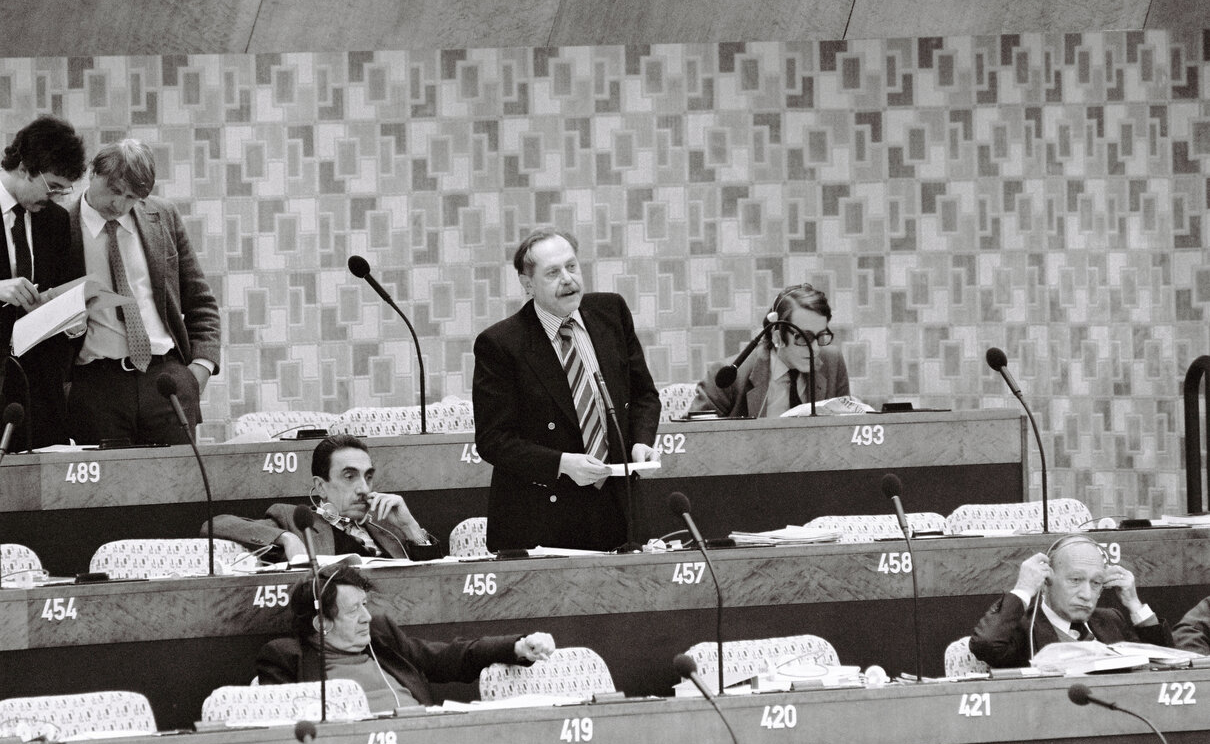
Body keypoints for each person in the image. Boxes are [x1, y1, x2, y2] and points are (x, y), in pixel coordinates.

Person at [472, 228, 661, 552]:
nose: (568, 279)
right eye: (553, 273)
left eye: (572, 267)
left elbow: (644, 395)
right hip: (544, 516)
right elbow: (494, 441)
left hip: (616, 506)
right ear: (528, 284)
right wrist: (562, 463)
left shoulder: (611, 313)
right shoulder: (501, 344)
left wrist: (641, 442)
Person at [64, 138, 220, 445]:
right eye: (114, 191)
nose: (119, 205)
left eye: (131, 197)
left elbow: (200, 300)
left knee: (182, 488)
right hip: (97, 386)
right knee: (106, 492)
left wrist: (200, 368)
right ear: (92, 172)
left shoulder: (163, 216)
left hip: (166, 379)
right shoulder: (59, 227)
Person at [257, 563, 555, 710]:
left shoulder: (380, 637)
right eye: (353, 611)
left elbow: (449, 658)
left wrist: (518, 647)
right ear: (322, 624)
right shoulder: (285, 658)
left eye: (365, 605)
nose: (367, 617)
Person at [206, 434, 435, 561]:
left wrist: (411, 528)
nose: (363, 488)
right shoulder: (297, 521)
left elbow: (431, 585)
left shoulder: (389, 529)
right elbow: (216, 524)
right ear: (321, 487)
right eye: (349, 476)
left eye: (368, 477)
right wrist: (287, 538)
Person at [0, 115, 86, 449]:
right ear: (23, 167)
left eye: (63, 190)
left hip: (41, 390)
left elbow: (63, 288)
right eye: (51, 186)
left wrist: (74, 321)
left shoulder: (56, 220)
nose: (55, 197)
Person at [969, 534, 1173, 668]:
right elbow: (985, 645)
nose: (1086, 594)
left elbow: (1166, 665)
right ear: (1047, 579)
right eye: (1075, 580)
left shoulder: (1110, 620)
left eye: (1096, 583)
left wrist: (1135, 605)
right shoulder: (1024, 629)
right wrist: (1023, 589)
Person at [691, 282, 849, 418]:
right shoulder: (731, 377)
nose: (814, 348)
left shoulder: (833, 362)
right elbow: (694, 437)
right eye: (804, 338)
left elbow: (847, 428)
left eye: (821, 336)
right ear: (777, 338)